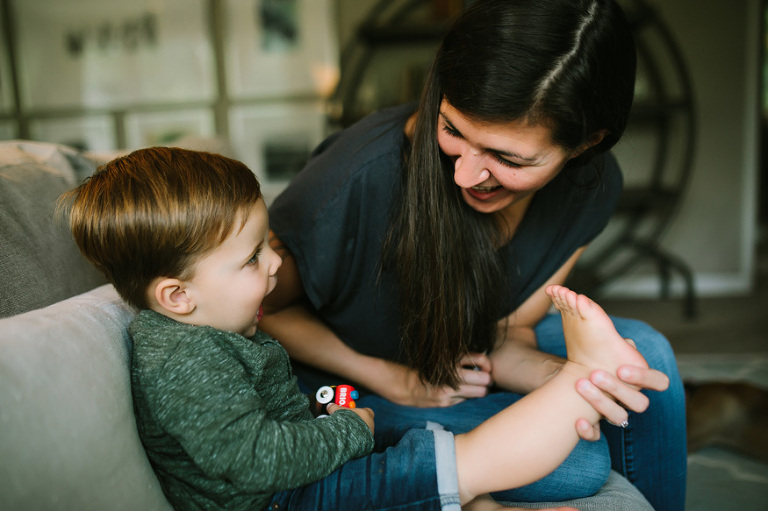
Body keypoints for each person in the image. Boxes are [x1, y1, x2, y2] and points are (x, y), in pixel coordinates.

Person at [60, 146, 659, 511]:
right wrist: (350, 428)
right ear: (177, 295)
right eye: (251, 260)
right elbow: (256, 460)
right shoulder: (182, 359)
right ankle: (582, 378)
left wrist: (340, 404)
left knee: (434, 442)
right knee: (467, 459)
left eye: (266, 246)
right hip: (284, 499)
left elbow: (279, 413)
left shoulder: (201, 328)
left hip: (304, 455)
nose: (274, 265)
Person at [261, 0, 686, 509]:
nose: (464, 176)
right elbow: (257, 307)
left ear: (584, 144)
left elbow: (506, 336)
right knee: (576, 466)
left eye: (507, 158)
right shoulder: (352, 180)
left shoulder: (589, 190)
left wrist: (576, 378)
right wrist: (390, 378)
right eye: (453, 131)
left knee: (647, 358)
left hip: (461, 359)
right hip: (348, 387)